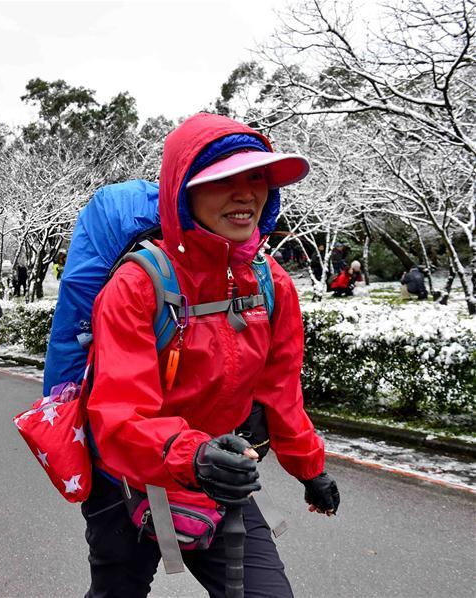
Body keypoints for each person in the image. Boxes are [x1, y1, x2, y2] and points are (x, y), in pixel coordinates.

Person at [80, 113, 339, 597]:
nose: (246, 194)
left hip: (219, 479)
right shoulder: (137, 286)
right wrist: (193, 455)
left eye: (256, 176)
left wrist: (310, 467)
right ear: (184, 192)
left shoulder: (270, 283)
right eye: (224, 180)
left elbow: (280, 389)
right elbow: (119, 413)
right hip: (127, 483)